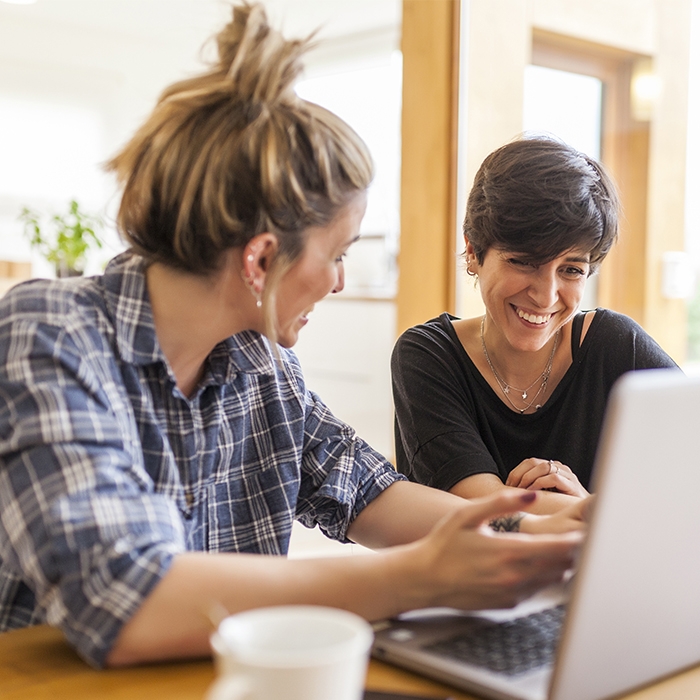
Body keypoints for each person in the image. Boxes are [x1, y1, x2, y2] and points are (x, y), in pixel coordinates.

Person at [0, 4, 583, 670]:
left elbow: (367, 492)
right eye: (337, 255)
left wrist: (537, 529)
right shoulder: (50, 336)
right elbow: (127, 598)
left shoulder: (261, 364)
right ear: (260, 260)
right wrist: (419, 576)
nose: (339, 282)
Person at [392, 136, 678, 514]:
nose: (546, 296)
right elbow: (488, 514)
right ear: (474, 252)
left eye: (572, 270)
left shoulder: (617, 346)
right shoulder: (428, 356)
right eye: (524, 262)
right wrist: (599, 514)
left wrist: (588, 503)